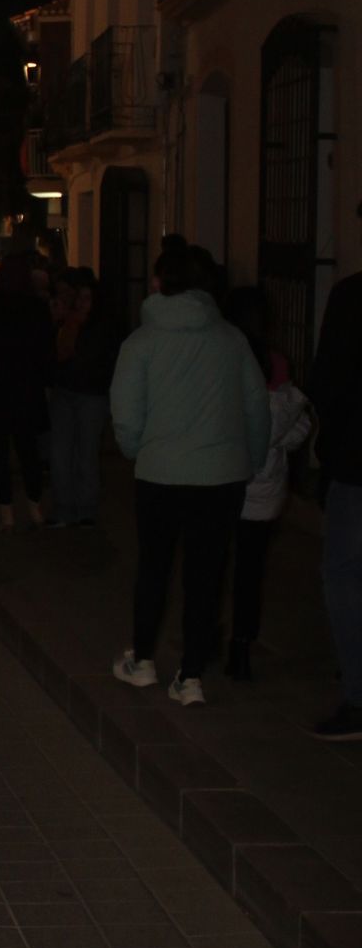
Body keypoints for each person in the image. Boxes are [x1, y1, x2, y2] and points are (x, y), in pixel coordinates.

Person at [110, 244, 270, 707]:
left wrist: (137, 449)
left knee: (154, 567)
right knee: (206, 574)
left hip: (160, 474)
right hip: (221, 477)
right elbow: (255, 407)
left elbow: (125, 414)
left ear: (160, 284)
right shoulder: (231, 340)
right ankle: (191, 675)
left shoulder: (141, 343)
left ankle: (141, 661)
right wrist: (252, 458)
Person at [224, 287, 312, 682]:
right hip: (265, 486)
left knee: (212, 563)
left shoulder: (224, 359)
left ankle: (207, 636)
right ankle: (240, 648)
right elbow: (295, 427)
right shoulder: (276, 364)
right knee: (249, 571)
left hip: (222, 480)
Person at [304, 223, 362, 740]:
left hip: (357, 464)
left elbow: (327, 382)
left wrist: (330, 451)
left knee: (344, 575)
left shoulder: (350, 299)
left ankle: (358, 697)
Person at [0, 251, 55, 528]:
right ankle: (34, 504)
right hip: (25, 388)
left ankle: (6, 508)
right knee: (28, 450)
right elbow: (45, 350)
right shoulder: (36, 307)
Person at [47, 267, 117, 527]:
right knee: (61, 454)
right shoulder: (68, 323)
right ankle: (64, 507)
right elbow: (56, 356)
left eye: (88, 298)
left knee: (86, 454)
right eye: (80, 298)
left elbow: (104, 360)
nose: (82, 303)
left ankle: (86, 509)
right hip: (66, 391)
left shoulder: (101, 327)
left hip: (91, 394)